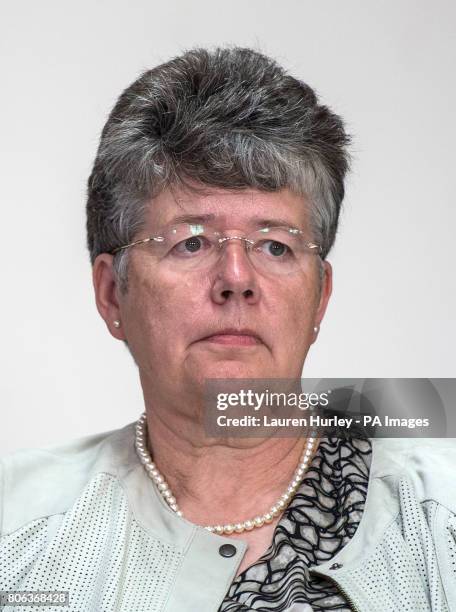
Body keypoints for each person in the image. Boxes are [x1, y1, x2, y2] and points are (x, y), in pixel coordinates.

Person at [1, 47, 455, 612]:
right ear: (112, 293)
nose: (236, 279)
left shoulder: (443, 520)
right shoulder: (14, 525)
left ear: (319, 299)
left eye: (275, 245)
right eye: (190, 242)